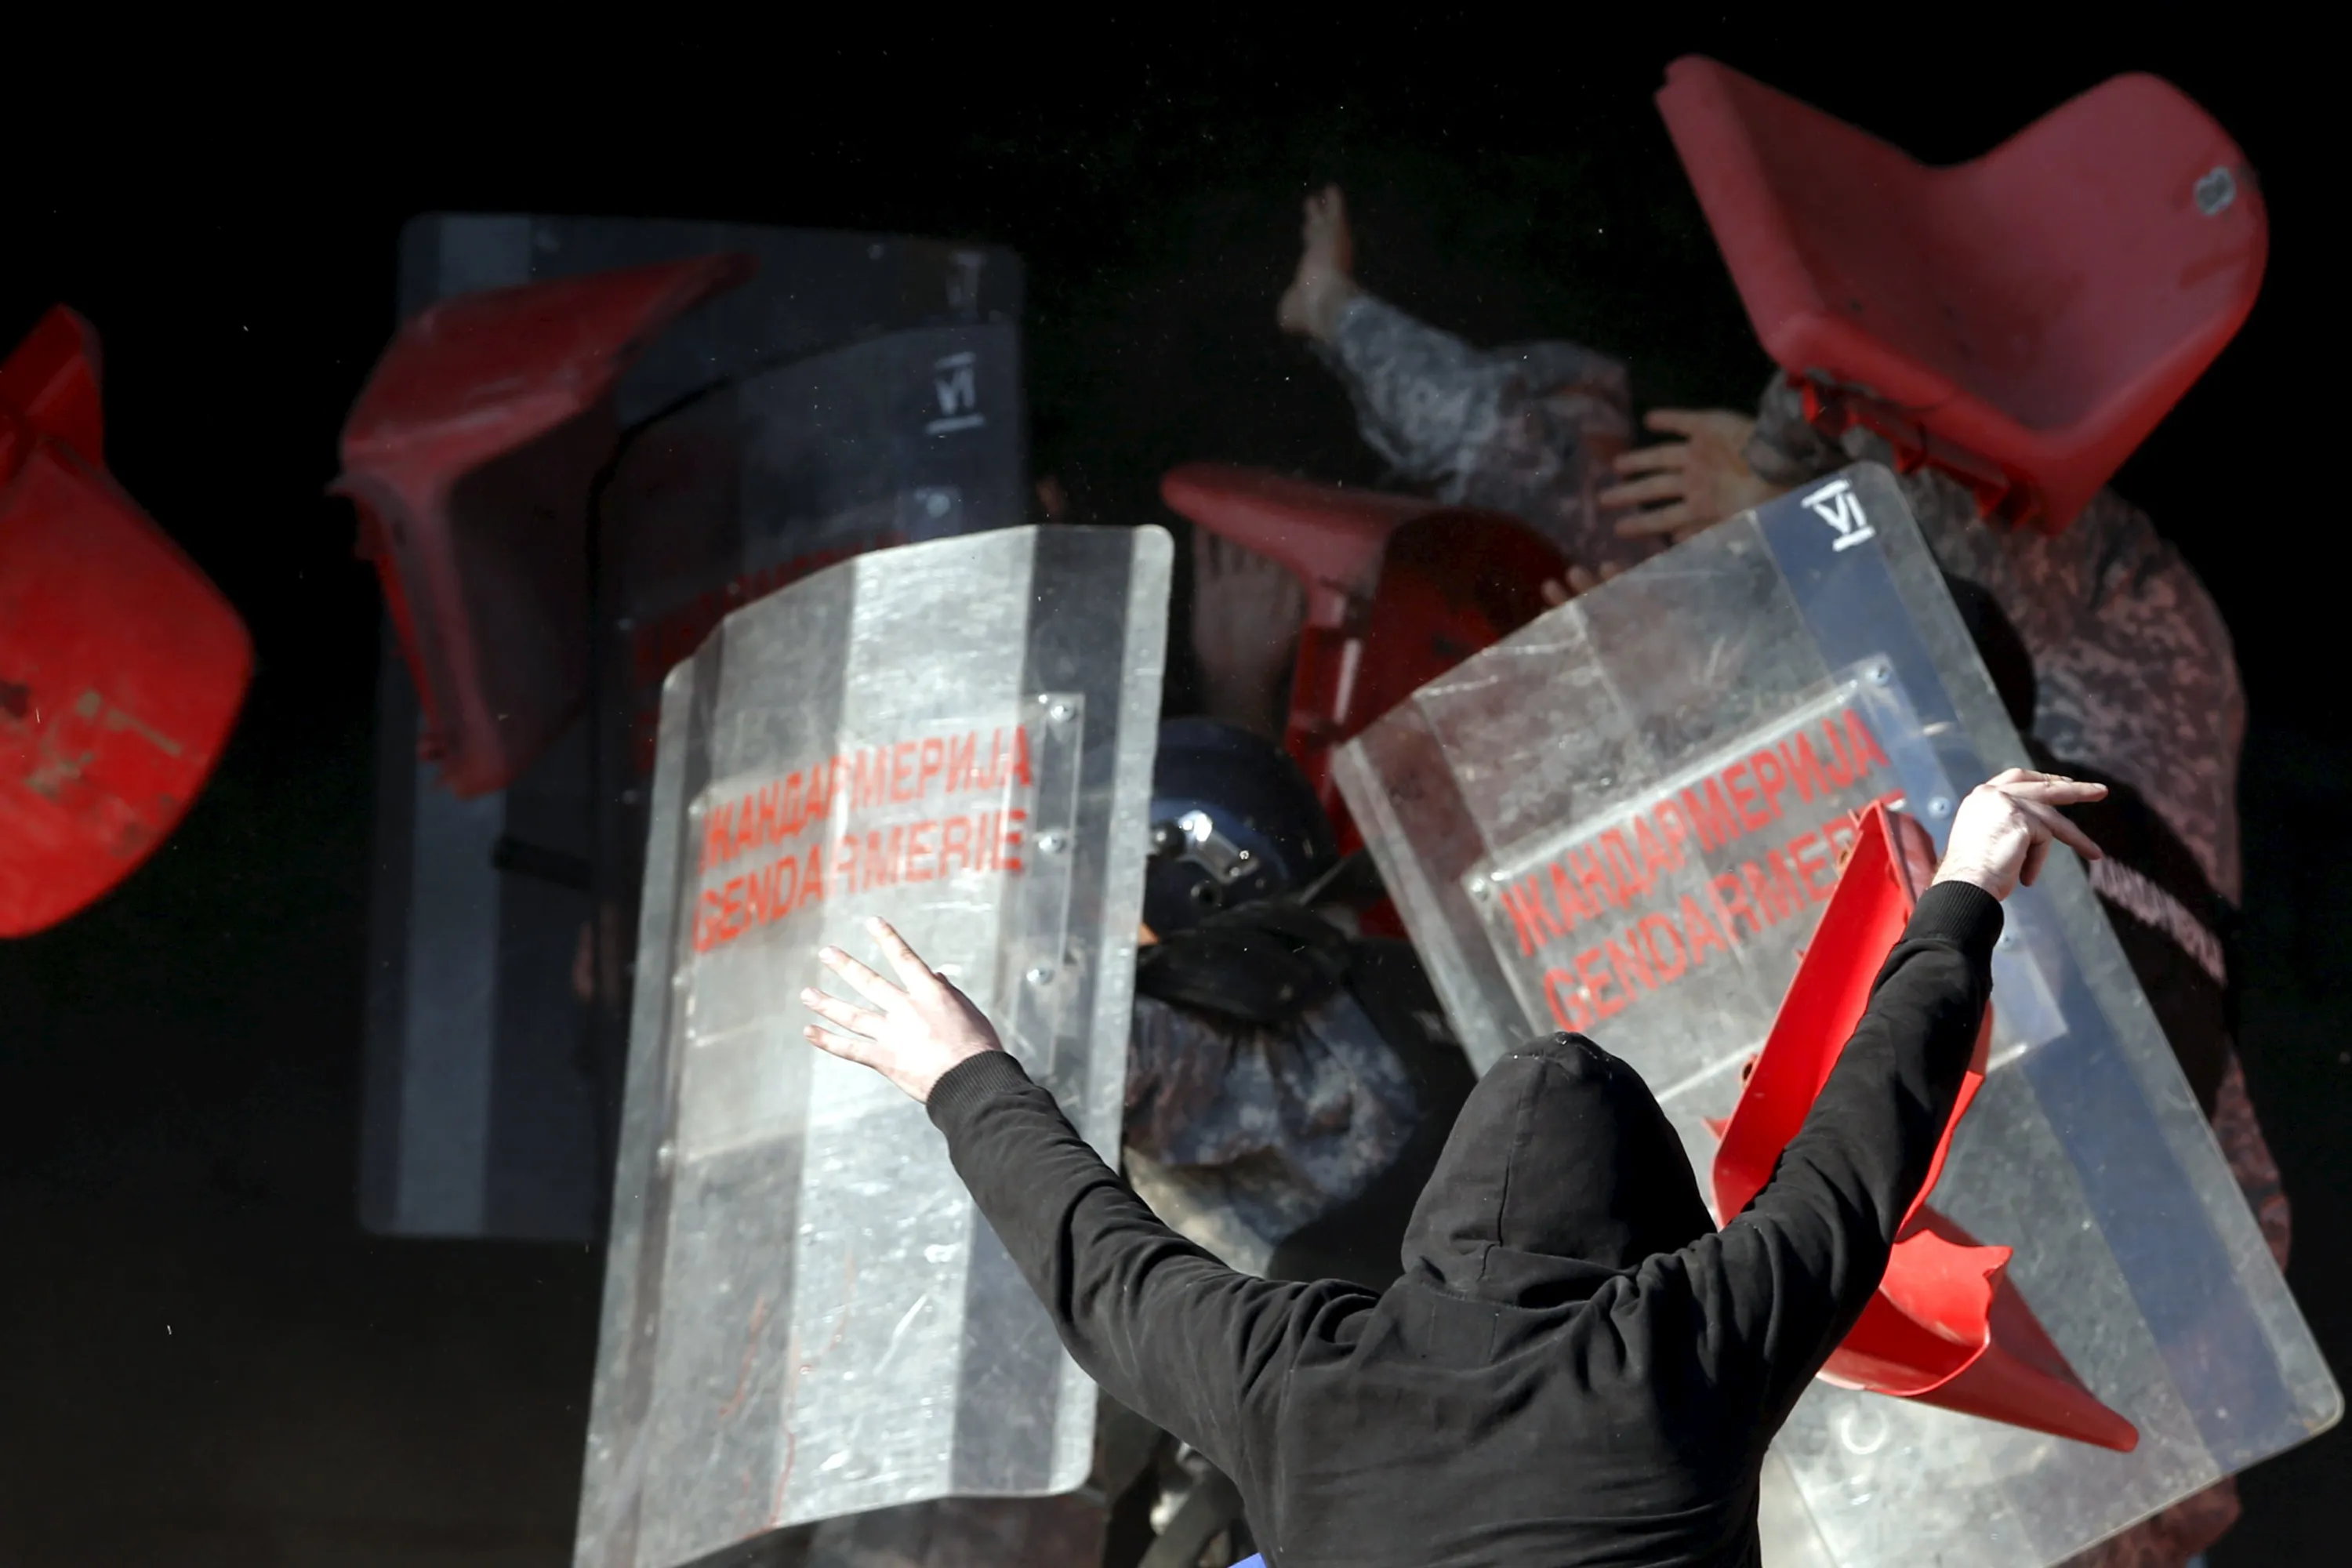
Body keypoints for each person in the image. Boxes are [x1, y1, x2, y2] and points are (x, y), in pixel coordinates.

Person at [797, 768, 2105, 1567]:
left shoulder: (1292, 1381)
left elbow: (1102, 1268)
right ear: (1647, 1229)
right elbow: (1862, 1145)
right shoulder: (1679, 1354)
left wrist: (959, 1072)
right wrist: (1964, 889)